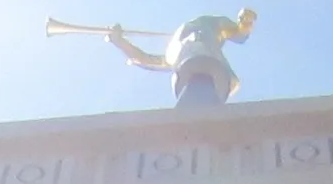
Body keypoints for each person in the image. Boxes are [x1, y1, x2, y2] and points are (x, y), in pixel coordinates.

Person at [53, 7, 259, 109]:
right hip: (189, 74)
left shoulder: (209, 26)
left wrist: (245, 20)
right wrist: (118, 41)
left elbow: (238, 33)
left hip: (213, 74)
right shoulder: (174, 53)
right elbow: (144, 58)